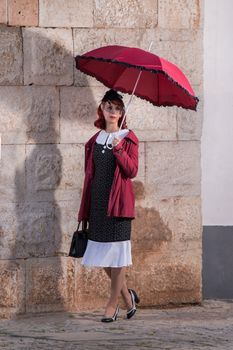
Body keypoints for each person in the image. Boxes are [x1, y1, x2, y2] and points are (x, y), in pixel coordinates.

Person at [77, 89, 140, 322]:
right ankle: (127, 296)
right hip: (98, 205)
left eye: (117, 108)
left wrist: (119, 148)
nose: (112, 112)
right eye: (108, 107)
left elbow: (131, 171)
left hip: (119, 205)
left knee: (118, 255)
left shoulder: (128, 138)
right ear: (101, 110)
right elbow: (89, 176)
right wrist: (85, 207)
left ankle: (112, 305)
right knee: (102, 254)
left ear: (122, 112)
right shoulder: (94, 141)